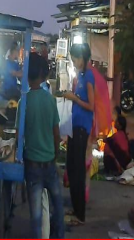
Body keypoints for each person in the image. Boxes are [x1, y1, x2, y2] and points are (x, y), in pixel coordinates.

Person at [23, 52, 64, 239]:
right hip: (49, 163)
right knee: (58, 208)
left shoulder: (24, 101)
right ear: (42, 75)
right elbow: (56, 134)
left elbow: (19, 134)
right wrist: (55, 154)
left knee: (37, 216)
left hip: (32, 165)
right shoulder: (50, 99)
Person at [61, 43, 95, 227]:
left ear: (83, 57)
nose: (74, 61)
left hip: (82, 129)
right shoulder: (81, 76)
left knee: (78, 171)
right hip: (75, 127)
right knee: (72, 168)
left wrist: (74, 98)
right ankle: (75, 208)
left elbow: (91, 105)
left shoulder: (89, 76)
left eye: (75, 58)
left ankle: (80, 215)